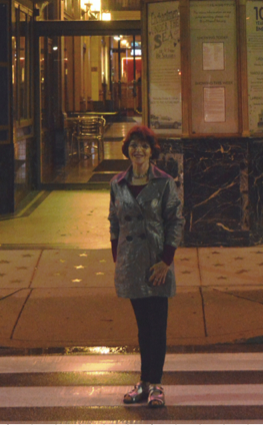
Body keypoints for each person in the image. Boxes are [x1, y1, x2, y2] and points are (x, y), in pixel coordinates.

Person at [109, 124, 184, 408]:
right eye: (133, 145)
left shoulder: (164, 183)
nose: (138, 150)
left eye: (143, 145)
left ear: (152, 151)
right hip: (132, 265)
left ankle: (156, 384)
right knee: (143, 326)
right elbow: (113, 222)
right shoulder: (117, 183)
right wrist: (120, 258)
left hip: (156, 265)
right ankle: (144, 381)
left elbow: (175, 221)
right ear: (127, 151)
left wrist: (166, 261)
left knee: (157, 325)